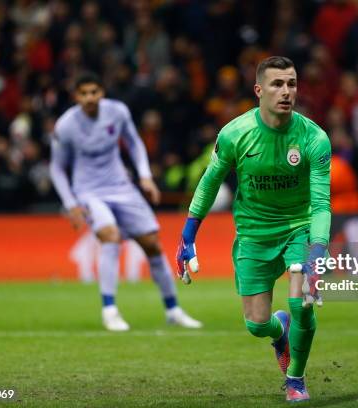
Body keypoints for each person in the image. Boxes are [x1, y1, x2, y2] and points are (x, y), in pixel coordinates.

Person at [176, 56, 331, 402]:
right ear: (259, 90)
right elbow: (209, 181)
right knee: (257, 324)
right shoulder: (235, 134)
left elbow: (321, 204)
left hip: (299, 227)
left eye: (291, 83)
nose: (286, 91)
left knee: (302, 301)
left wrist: (317, 251)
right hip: (253, 233)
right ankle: (280, 331)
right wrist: (189, 232)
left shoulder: (314, 138)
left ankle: (296, 379)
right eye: (277, 84)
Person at [50, 72, 202, 331]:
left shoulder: (117, 112)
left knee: (152, 244)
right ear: (76, 96)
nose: (89, 98)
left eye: (94, 92)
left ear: (102, 93)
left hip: (121, 186)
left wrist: (145, 176)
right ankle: (110, 310)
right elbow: (57, 168)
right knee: (109, 236)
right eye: (84, 93)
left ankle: (173, 309)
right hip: (89, 191)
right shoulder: (66, 126)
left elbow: (134, 143)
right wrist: (71, 203)